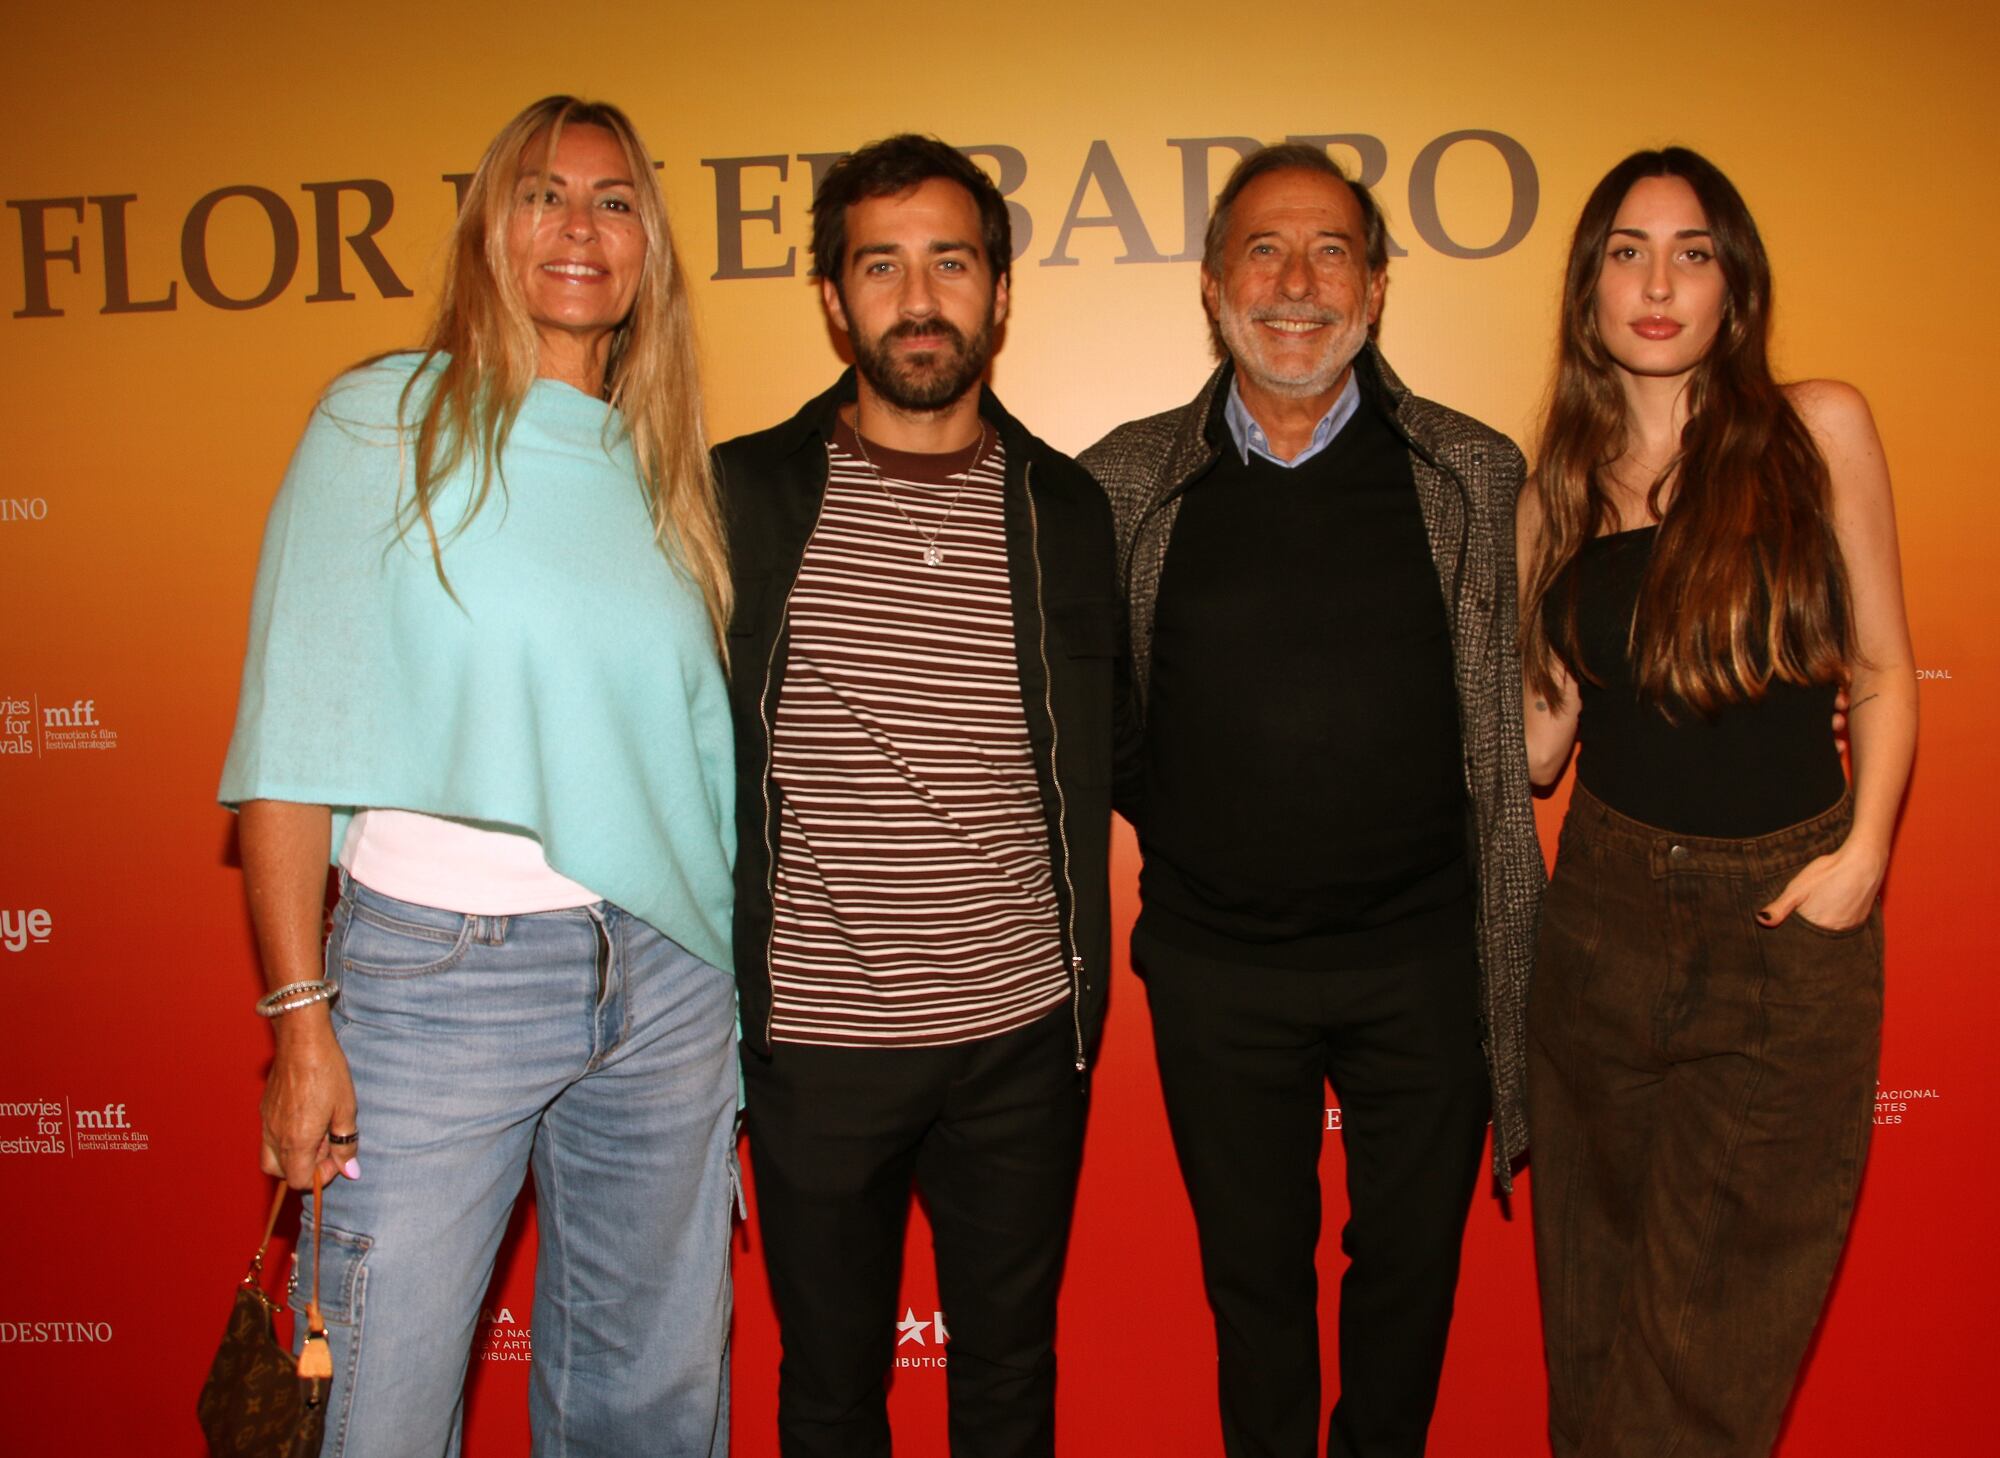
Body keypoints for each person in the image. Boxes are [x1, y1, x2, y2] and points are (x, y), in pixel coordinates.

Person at [217, 96, 737, 1457]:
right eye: (542, 194)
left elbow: (691, 777)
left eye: (614, 200)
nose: (579, 225)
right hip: (440, 979)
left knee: (655, 1407)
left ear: (647, 253)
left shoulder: (660, 469)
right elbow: (287, 741)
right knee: (373, 1416)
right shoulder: (381, 420)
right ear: (489, 231)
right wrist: (298, 1018)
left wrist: (728, 1023)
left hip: (668, 984)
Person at [1079, 143, 1544, 1458]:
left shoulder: (1472, 470)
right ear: (1214, 285)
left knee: (1409, 1281)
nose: (1297, 282)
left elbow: (1538, 693)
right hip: (1220, 971)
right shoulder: (1119, 481)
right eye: (1265, 252)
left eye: (1331, 249)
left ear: (1379, 286)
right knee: (1256, 1284)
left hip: (1427, 964)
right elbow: (1094, 717)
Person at [713, 133, 1119, 1457]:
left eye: (951, 260)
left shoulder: (1063, 504)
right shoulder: (744, 496)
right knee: (831, 1393)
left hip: (1020, 1037)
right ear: (834, 300)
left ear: (1000, 291)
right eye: (879, 266)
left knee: (1009, 1384)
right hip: (818, 1048)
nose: (918, 296)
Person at [1517, 147, 1916, 1457]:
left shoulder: (1818, 428)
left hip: (1781, 917)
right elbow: (1536, 750)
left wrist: (1862, 856)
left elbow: (1883, 669)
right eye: (1628, 250)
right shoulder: (1555, 490)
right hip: (1601, 924)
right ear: (1589, 289)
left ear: (1732, 287)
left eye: (1692, 252)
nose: (1658, 281)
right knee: (1595, 1327)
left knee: (1708, 1350)